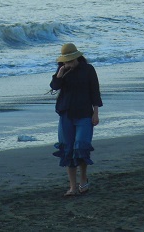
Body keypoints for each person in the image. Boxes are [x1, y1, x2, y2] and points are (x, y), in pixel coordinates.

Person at [50, 43, 102, 197]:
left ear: (77, 57)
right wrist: (60, 74)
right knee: (68, 149)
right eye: (66, 61)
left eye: (71, 60)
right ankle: (72, 186)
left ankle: (83, 179)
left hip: (85, 114)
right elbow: (54, 86)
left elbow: (95, 91)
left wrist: (96, 113)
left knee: (81, 147)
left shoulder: (88, 69)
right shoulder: (62, 71)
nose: (68, 63)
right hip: (66, 114)